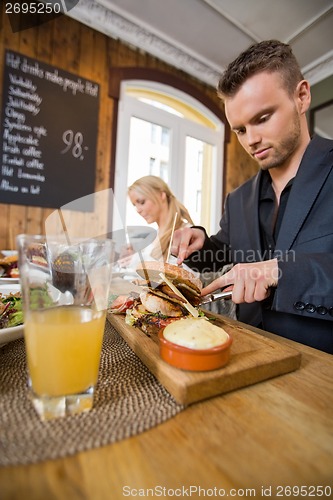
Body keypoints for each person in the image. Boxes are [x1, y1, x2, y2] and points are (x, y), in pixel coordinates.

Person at [172, 40, 333, 353]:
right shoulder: (238, 198)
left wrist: (278, 270)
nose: (252, 140)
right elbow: (228, 253)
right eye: (240, 130)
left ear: (301, 97)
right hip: (245, 357)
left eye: (262, 118)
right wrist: (200, 243)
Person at [122, 175, 194, 266]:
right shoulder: (154, 236)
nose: (138, 210)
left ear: (161, 195)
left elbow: (188, 276)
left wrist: (136, 261)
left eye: (142, 202)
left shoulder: (186, 234)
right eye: (135, 205)